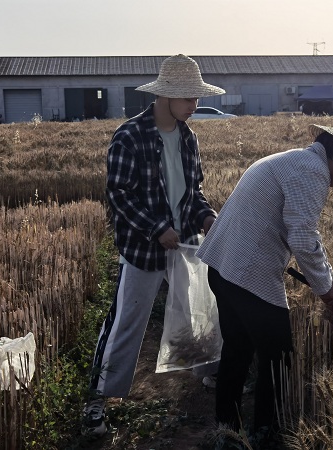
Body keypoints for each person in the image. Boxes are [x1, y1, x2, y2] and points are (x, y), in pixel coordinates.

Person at [195, 120, 333, 442]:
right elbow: (303, 238)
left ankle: (227, 430)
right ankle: (265, 435)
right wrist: (329, 292)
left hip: (223, 266)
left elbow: (293, 232)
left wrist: (327, 288)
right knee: (279, 358)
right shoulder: (313, 171)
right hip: (248, 274)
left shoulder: (292, 159)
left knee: (238, 349)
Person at [82, 54, 225, 438]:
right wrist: (157, 228)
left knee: (195, 312)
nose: (195, 105)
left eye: (196, 98)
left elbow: (193, 191)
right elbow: (119, 194)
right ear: (166, 96)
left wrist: (207, 218)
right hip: (143, 250)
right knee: (126, 324)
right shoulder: (130, 136)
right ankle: (96, 401)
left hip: (184, 245)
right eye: (189, 98)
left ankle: (209, 373)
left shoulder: (188, 138)